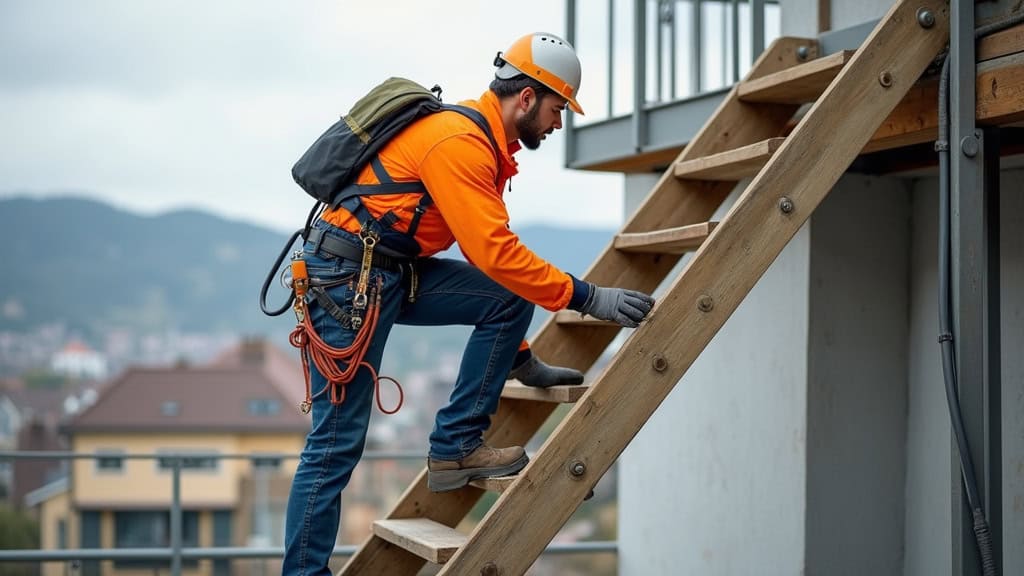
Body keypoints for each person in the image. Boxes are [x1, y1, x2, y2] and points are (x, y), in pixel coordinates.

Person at [282, 32, 655, 575]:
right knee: (335, 442)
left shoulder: (479, 143)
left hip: (382, 271)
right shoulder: (457, 142)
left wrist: (520, 356)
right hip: (347, 281)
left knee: (506, 298)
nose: (557, 123)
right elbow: (495, 251)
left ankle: (456, 447)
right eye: (557, 109)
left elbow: (491, 267)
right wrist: (588, 296)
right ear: (525, 98)